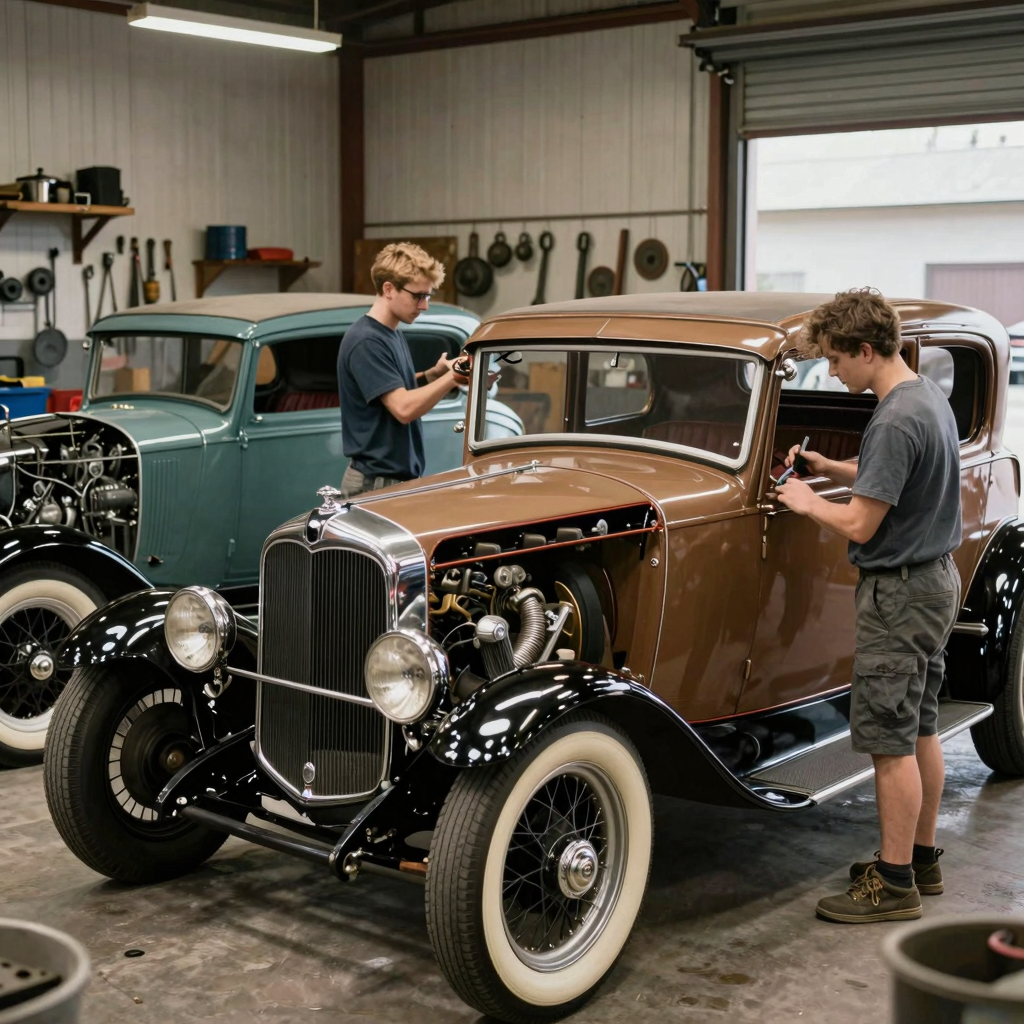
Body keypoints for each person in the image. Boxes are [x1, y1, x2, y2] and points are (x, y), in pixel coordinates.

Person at [773, 287, 962, 924]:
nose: (830, 371)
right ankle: (921, 857)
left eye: (833, 359)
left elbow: (858, 525)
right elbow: (891, 477)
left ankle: (894, 882)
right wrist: (831, 464)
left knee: (888, 743)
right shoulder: (924, 396)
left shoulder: (894, 416)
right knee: (921, 725)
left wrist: (805, 500)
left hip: (900, 596)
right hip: (935, 580)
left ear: (863, 349)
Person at [337, 242, 469, 498]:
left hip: (390, 481)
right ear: (388, 289)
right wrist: (453, 378)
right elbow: (403, 408)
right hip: (376, 485)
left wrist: (432, 375)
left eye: (427, 296)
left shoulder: (391, 334)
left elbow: (391, 391)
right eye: (418, 296)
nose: (424, 305)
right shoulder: (367, 341)